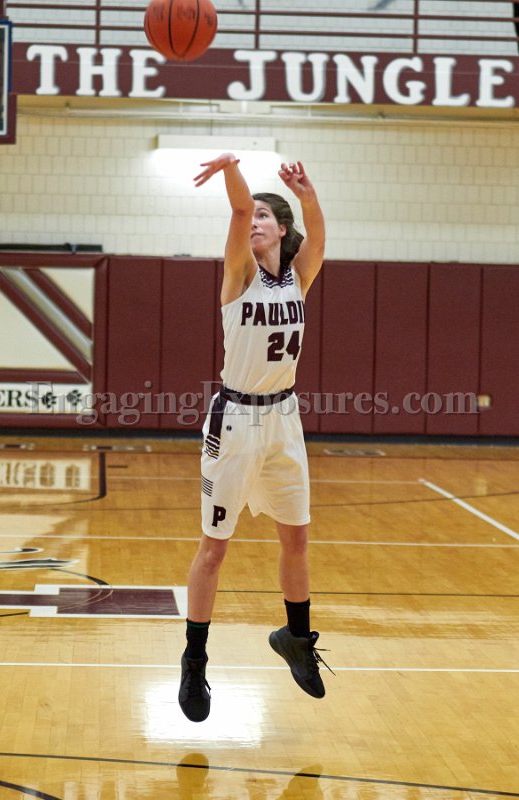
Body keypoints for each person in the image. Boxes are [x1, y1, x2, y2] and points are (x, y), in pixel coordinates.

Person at [178, 153, 330, 723]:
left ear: (283, 230)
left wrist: (308, 194)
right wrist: (229, 170)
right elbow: (239, 209)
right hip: (236, 421)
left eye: (267, 216)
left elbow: (319, 234)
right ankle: (194, 659)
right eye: (255, 216)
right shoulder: (239, 275)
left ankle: (296, 638)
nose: (256, 221)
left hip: (284, 419)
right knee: (214, 548)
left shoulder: (299, 277)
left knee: (297, 539)